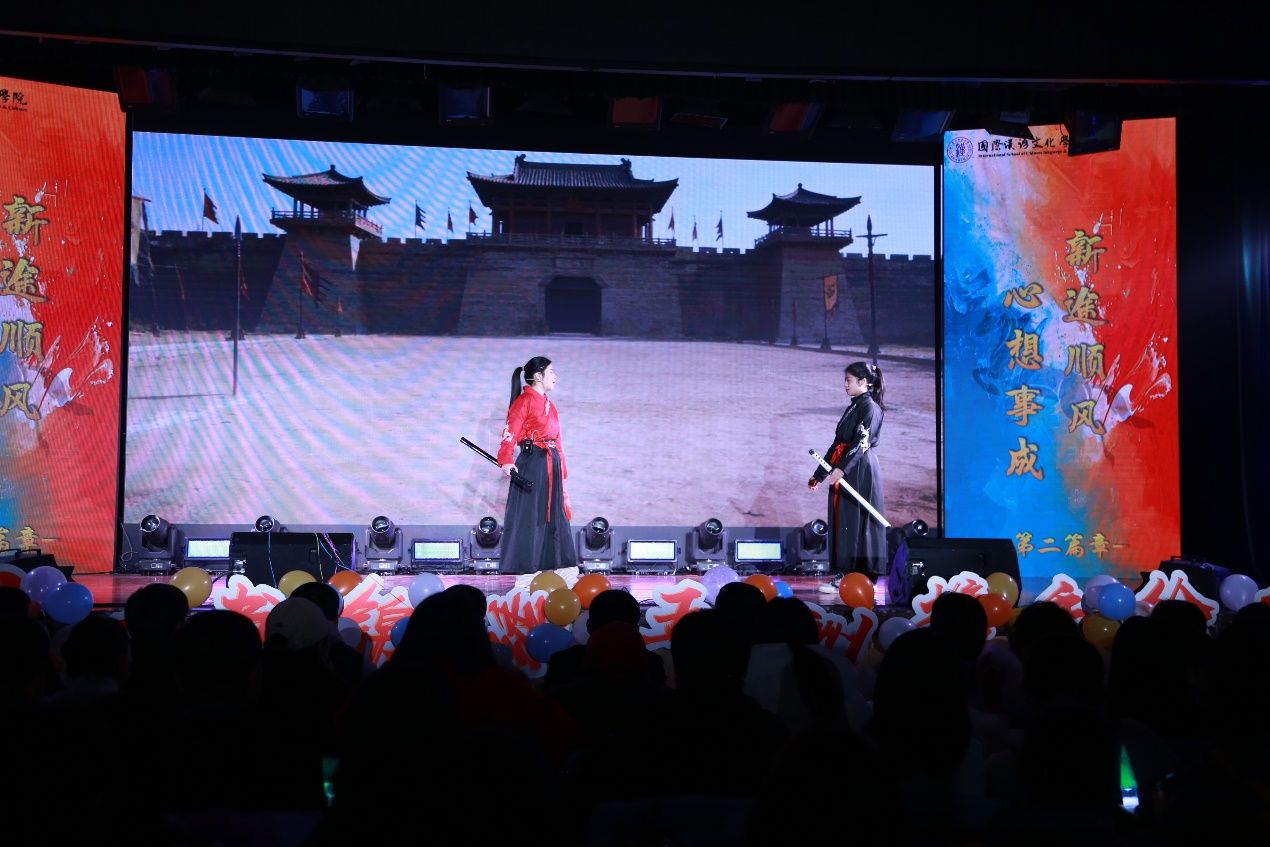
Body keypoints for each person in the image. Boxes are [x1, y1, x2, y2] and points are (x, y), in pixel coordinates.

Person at [496, 356, 577, 573]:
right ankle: (526, 568)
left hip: (552, 464)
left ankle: (555, 565)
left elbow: (558, 440)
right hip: (533, 463)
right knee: (530, 515)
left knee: (554, 514)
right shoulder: (524, 401)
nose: (555, 377)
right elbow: (510, 432)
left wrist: (562, 467)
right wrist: (506, 459)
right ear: (539, 376)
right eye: (551, 372)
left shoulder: (551, 405)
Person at [808, 361, 888, 576]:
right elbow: (838, 443)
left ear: (863, 382)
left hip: (859, 469)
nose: (845, 385)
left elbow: (861, 442)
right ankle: (844, 573)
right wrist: (819, 474)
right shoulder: (854, 405)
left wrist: (842, 469)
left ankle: (862, 575)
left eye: (849, 380)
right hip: (845, 465)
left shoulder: (870, 407)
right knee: (843, 520)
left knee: (856, 521)